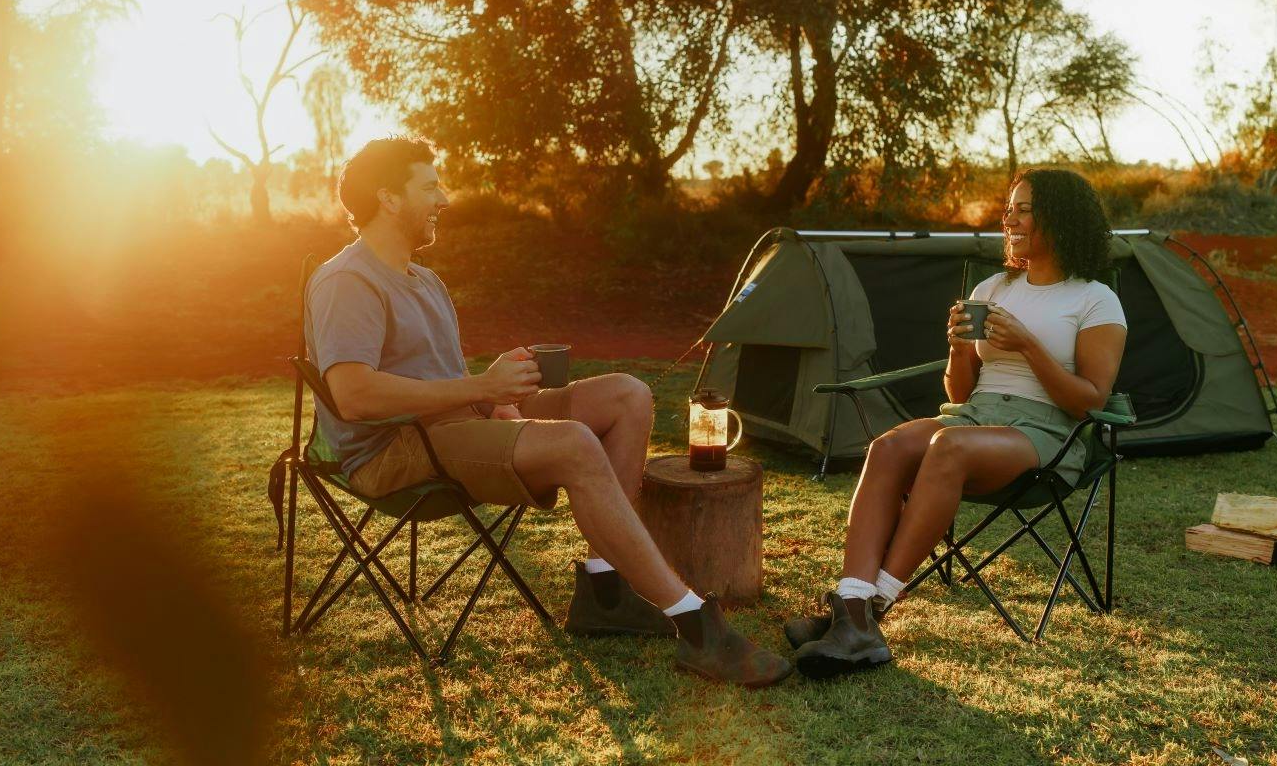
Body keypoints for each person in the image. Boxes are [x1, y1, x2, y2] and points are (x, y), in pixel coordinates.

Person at [307, 136, 790, 687]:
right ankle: (697, 626)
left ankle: (604, 593)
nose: (444, 198)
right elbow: (355, 396)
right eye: (431, 186)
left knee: (627, 395)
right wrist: (481, 388)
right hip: (393, 449)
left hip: (456, 423)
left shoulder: (424, 280)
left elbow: (439, 378)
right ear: (390, 198)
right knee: (573, 443)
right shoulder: (349, 281)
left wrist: (498, 392)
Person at [787, 167, 1127, 679]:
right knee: (888, 447)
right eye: (1007, 208)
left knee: (948, 446)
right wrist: (960, 348)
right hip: (976, 415)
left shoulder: (1095, 299)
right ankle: (853, 605)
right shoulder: (994, 286)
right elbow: (960, 394)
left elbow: (1089, 402)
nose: (1008, 218)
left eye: (1021, 208)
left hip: (1046, 436)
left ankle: (868, 613)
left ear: (1057, 217)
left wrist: (1028, 346)